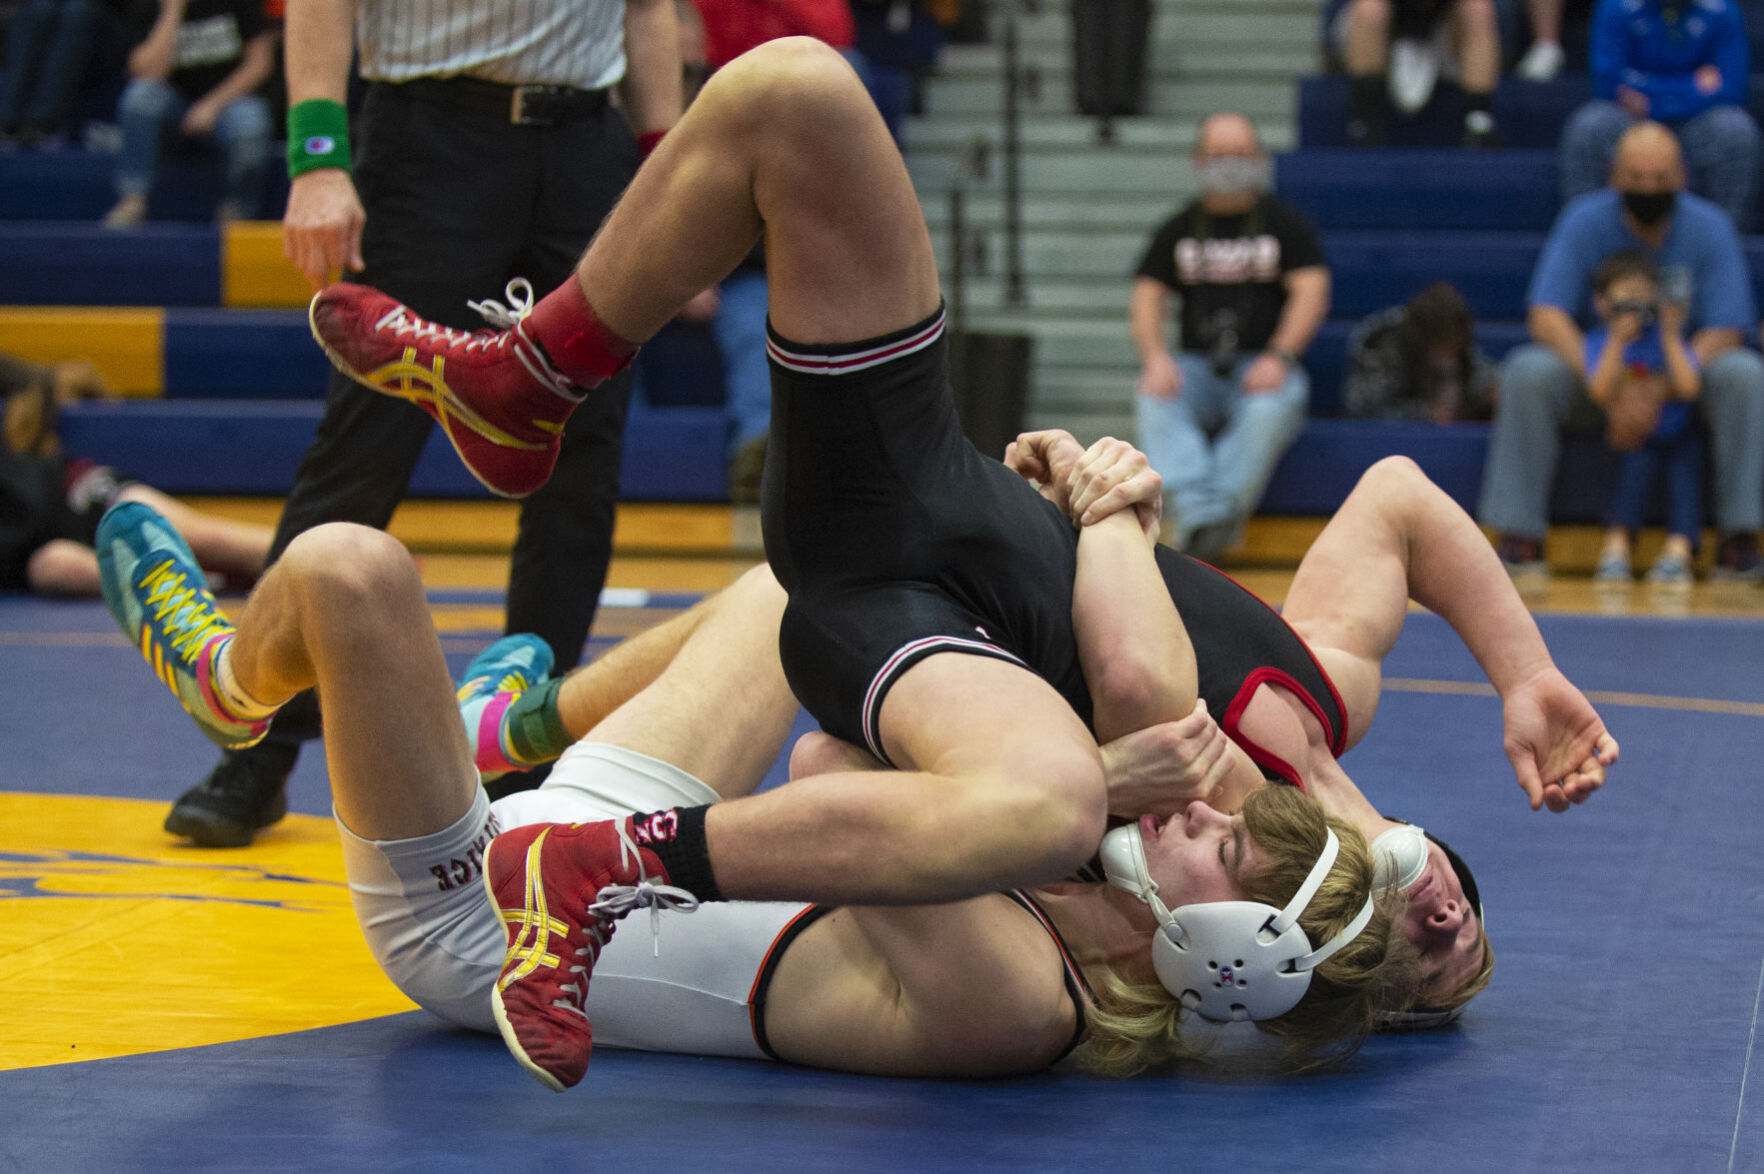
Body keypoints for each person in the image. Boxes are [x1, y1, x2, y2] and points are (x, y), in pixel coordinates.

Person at [294, 38, 1413, 1089]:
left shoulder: (1028, 1005)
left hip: (469, 929)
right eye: (1233, 820)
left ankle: (245, 670)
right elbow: (848, 715)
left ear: (1229, 951)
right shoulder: (1073, 880)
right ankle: (535, 425)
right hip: (626, 804)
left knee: (354, 566)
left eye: (1228, 849)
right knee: (797, 92)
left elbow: (828, 765)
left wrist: (1098, 778)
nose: (1210, 813)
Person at [158, 0, 683, 849]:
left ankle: (524, 758)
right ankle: (257, 750)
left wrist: (667, 172)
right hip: (434, 139)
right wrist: (317, 157)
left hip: (588, 145)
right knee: (364, 449)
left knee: (581, 457)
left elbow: (649, 8)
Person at [1479, 120, 1764, 581]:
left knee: (1745, 373)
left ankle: (1740, 539)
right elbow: (1546, 316)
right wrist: (1609, 384)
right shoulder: (1584, 220)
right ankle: (1520, 536)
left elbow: (1727, 329)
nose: (1648, 189)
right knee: (1528, 371)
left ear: (1682, 177)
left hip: (1680, 382)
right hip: (1601, 376)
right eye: (1636, 179)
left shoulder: (1710, 227)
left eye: (1660, 179)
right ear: (1615, 176)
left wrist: (1659, 387)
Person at [1129, 112, 1330, 564]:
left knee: (1267, 407)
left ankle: (1205, 518)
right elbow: (1146, 298)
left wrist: (1279, 356)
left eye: (1239, 156)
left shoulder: (1287, 223)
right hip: (1196, 366)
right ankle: (1208, 515)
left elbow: (1312, 291)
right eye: (1218, 156)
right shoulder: (1177, 227)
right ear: (1198, 161)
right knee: (1153, 397)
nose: (1229, 166)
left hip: (1264, 361)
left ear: (1259, 159)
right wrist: (1156, 358)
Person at [0, 352, 271, 595]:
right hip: (29, 554)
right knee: (59, 568)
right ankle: (205, 585)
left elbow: (38, 380)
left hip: (67, 490)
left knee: (201, 537)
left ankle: (304, 563)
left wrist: (31, 436)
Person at [1559, 0, 1760, 232]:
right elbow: (1608, 82)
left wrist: (1645, 89)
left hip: (1698, 123)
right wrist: (1694, 87)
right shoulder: (1615, 6)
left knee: (1736, 130)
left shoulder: (1723, 8)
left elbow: (1732, 88)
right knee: (1589, 126)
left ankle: (1723, 236)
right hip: (1631, 121)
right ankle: (1586, 235)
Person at [1581, 251, 1703, 585]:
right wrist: (1618, 341)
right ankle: (1617, 547)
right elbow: (1600, 391)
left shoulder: (1665, 340)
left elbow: (1689, 387)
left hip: (1677, 435)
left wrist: (1669, 335)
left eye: (1642, 296)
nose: (1635, 306)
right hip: (1634, 439)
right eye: (1626, 298)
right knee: (1635, 467)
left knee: (1686, 470)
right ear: (1603, 303)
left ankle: (1679, 552)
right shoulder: (1599, 342)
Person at [101, 0, 279, 227]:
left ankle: (237, 211)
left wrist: (211, 106)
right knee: (139, 98)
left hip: (229, 102)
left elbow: (260, 64)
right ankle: (133, 200)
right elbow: (148, 72)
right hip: (173, 102)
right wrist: (173, 11)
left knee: (252, 123)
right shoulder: (147, 5)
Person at [1334, 0, 1502, 147]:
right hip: (1387, 29)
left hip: (1443, 28)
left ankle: (1478, 122)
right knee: (1369, 7)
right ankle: (1364, 124)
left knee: (1478, 7)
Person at [1342, 282, 1497, 423]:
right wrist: (1425, 414)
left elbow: (1484, 376)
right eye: (1441, 344)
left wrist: (1488, 390)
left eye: (1453, 345)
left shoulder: (1459, 335)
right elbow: (1365, 409)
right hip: (1388, 440)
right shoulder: (1381, 341)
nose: (1447, 353)